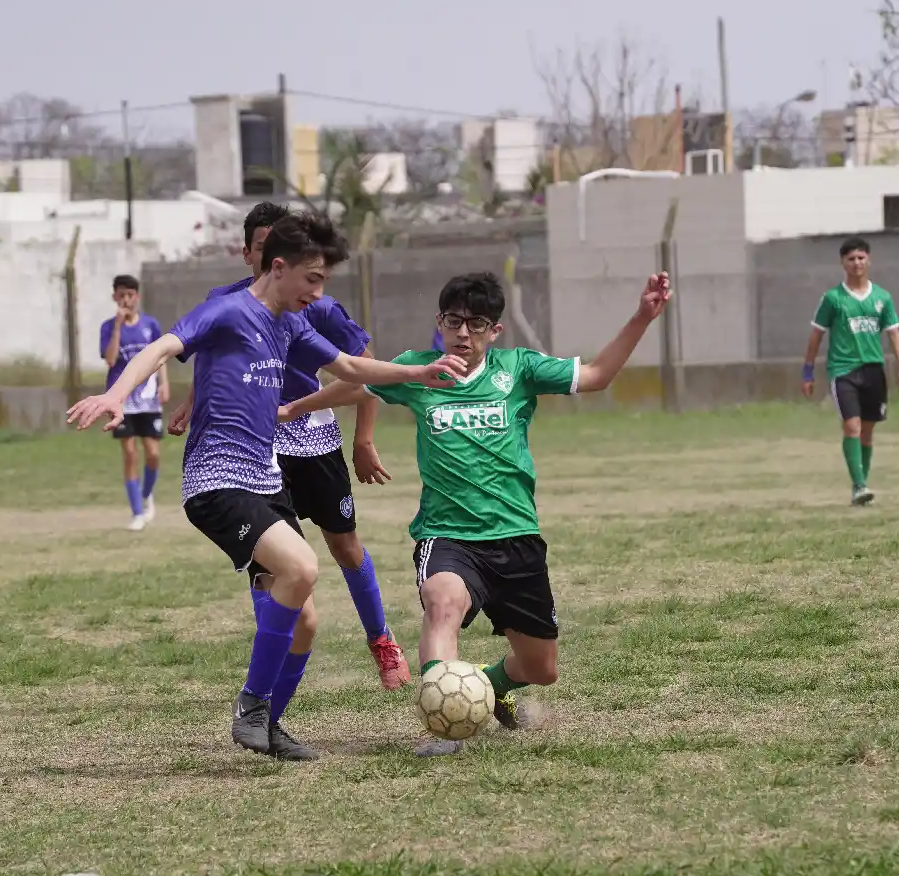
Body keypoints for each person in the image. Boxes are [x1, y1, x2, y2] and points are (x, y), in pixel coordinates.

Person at [67, 212, 465, 760]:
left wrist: (417, 374)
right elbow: (162, 348)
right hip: (217, 478)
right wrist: (116, 395)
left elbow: (350, 365)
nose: (318, 294)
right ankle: (251, 704)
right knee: (302, 567)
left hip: (264, 477)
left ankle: (267, 727)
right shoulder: (228, 310)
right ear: (278, 268)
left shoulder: (292, 323)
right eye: (313, 280)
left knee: (305, 621)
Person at [278, 270, 670, 755]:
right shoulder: (416, 370)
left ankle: (486, 685)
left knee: (541, 668)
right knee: (443, 605)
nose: (463, 333)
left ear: (495, 331)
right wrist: (293, 409)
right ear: (439, 322)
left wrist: (642, 316)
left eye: (477, 323)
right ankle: (442, 727)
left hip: (516, 535)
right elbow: (358, 385)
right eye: (454, 321)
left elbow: (596, 376)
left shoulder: (519, 368)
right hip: (447, 535)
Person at [169, 202, 411, 692]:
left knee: (343, 544)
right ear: (251, 254)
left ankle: (381, 639)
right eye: (259, 248)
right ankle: (273, 663)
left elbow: (361, 368)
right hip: (254, 449)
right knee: (271, 558)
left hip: (312, 436)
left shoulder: (313, 304)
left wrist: (364, 438)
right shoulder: (227, 302)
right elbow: (215, 360)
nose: (266, 258)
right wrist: (194, 403)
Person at [802, 235, 899, 506]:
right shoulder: (833, 298)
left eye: (861, 257)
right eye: (851, 259)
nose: (857, 263)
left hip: (873, 370)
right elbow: (816, 337)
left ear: (868, 260)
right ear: (843, 262)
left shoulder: (882, 297)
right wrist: (807, 372)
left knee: (868, 431)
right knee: (852, 426)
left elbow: (894, 334)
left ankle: (861, 483)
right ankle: (859, 486)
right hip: (843, 371)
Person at [99, 274, 168, 531]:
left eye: (130, 295)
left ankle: (147, 493)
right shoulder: (108, 326)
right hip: (121, 399)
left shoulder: (151, 325)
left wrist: (165, 383)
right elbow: (109, 359)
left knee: (153, 453)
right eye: (121, 295)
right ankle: (137, 512)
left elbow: (160, 356)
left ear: (137, 296)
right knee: (129, 453)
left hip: (148, 399)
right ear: (115, 297)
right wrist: (118, 326)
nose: (126, 300)